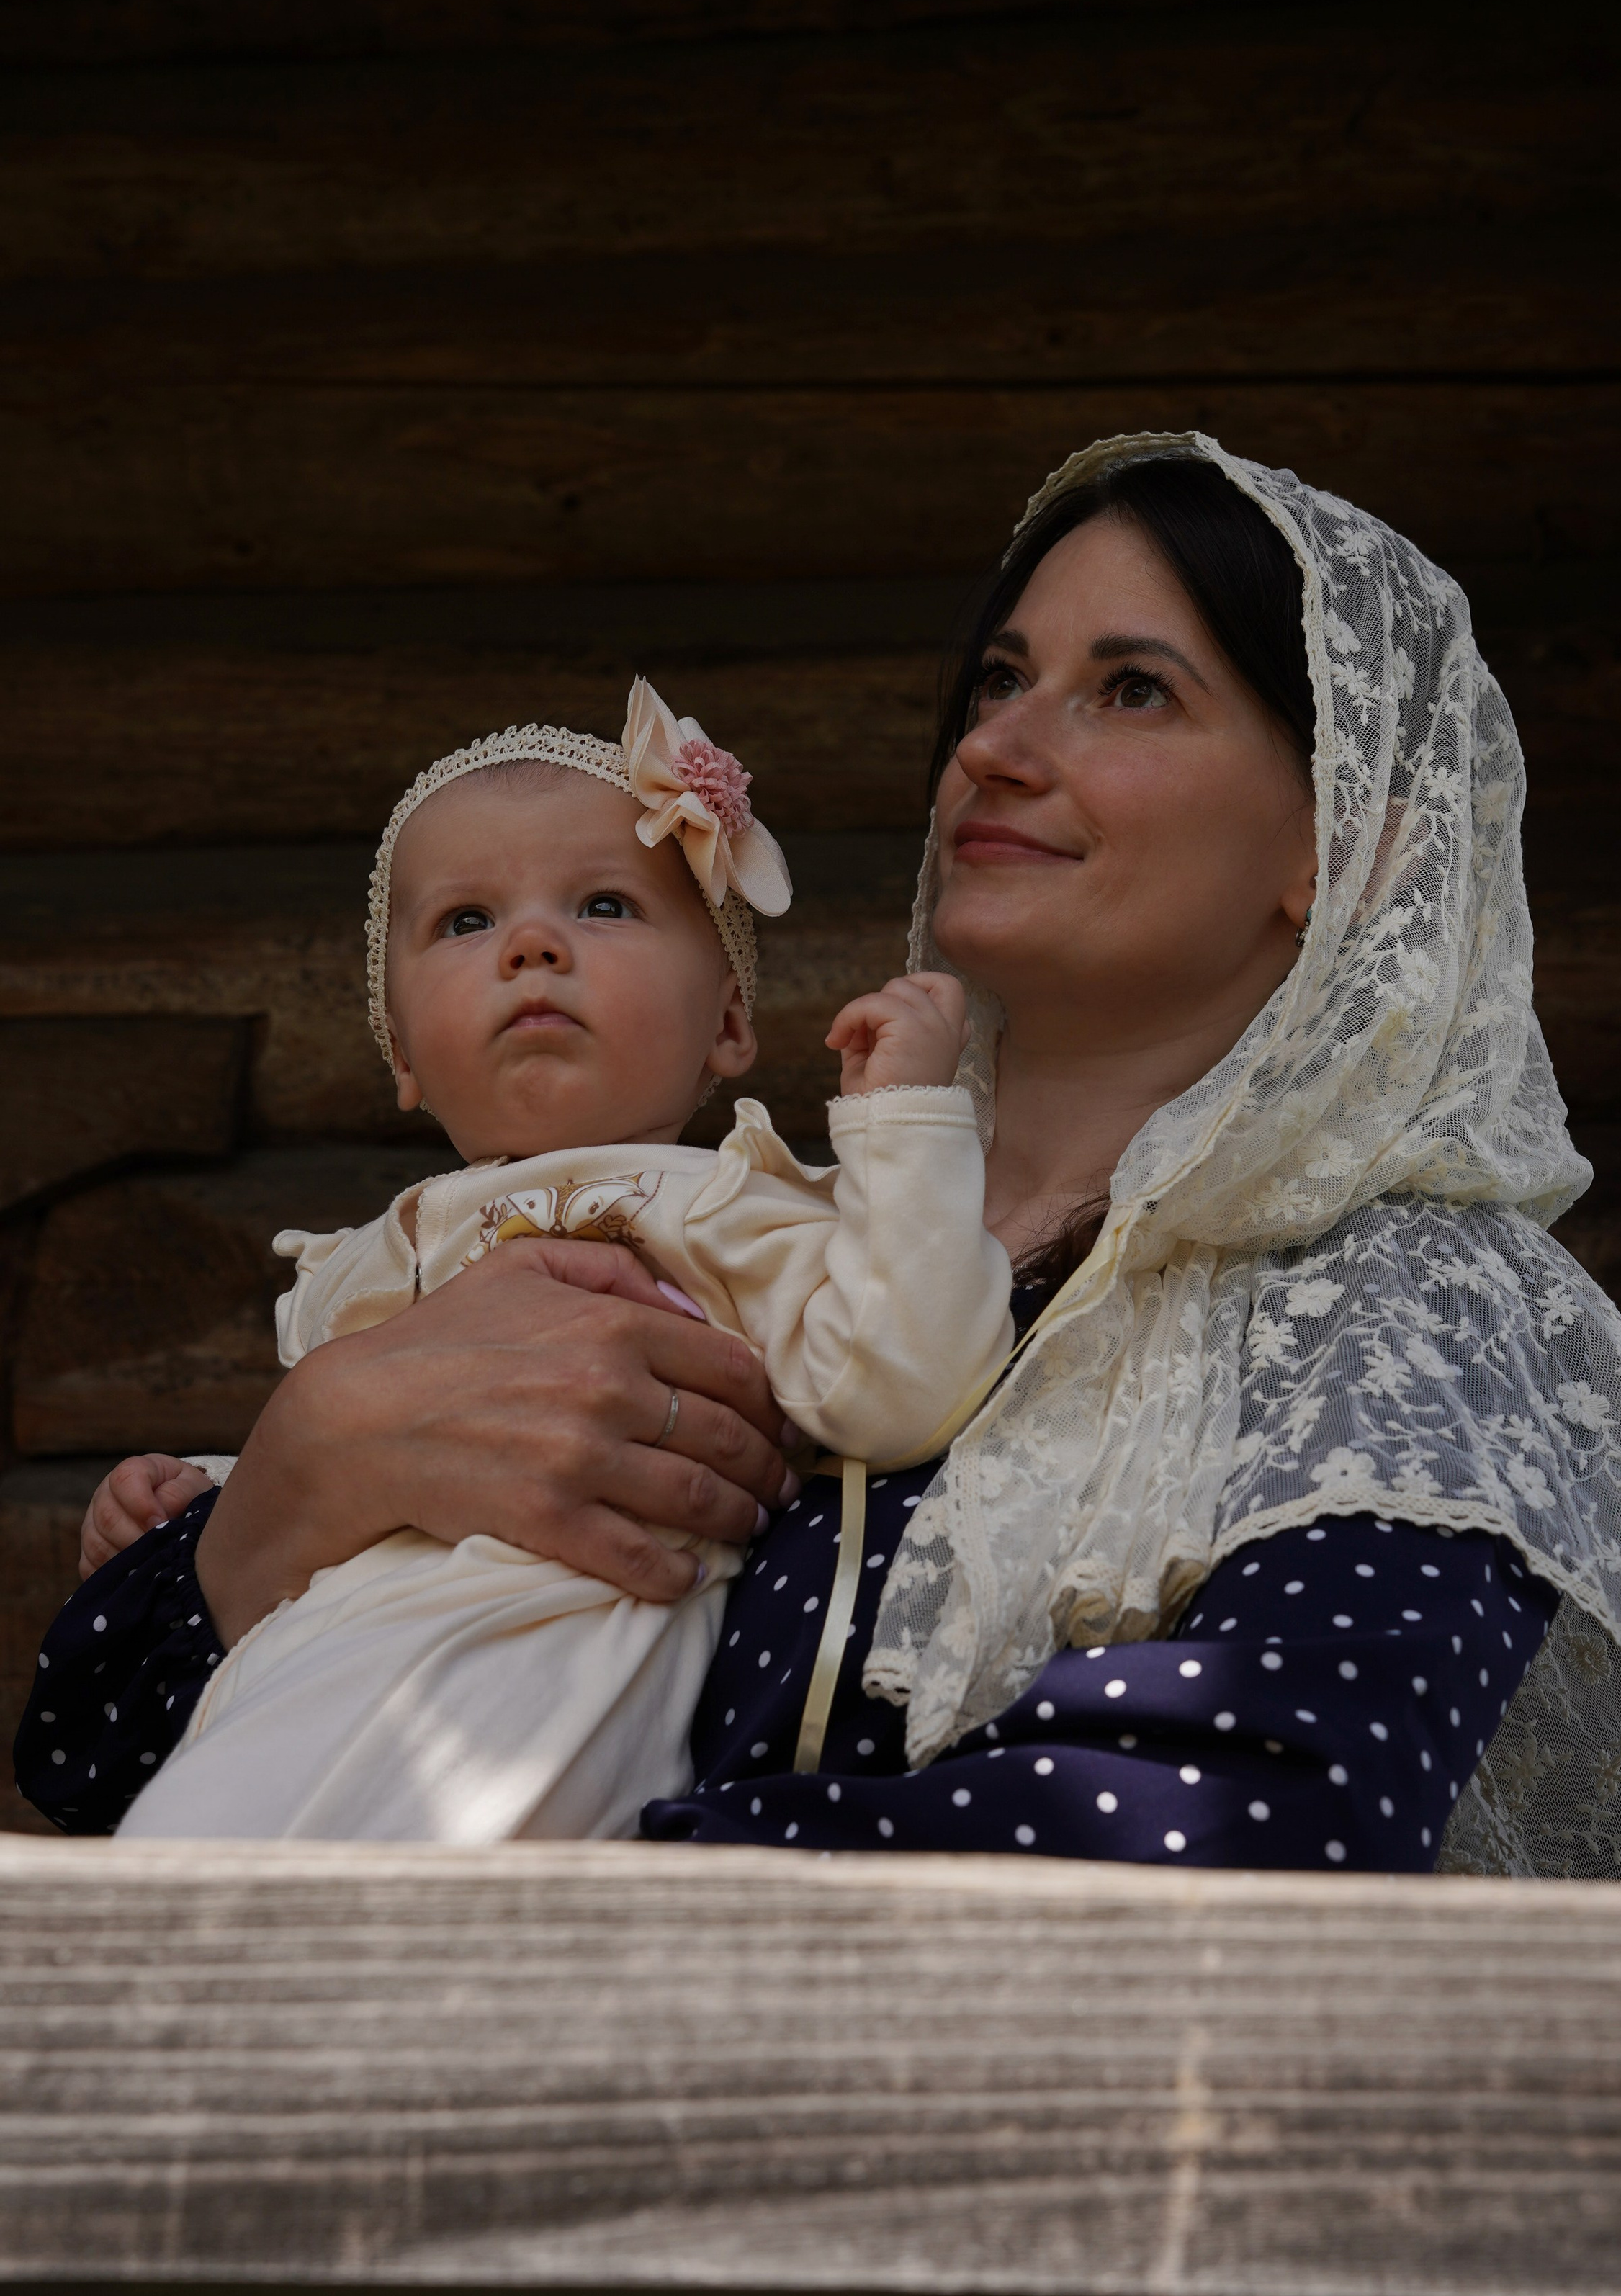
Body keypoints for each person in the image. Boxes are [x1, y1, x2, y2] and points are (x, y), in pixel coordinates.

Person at [20, 434, 1621, 1882]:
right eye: (999, 675)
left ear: (1341, 849)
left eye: (1129, 690)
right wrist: (284, 1492)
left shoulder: (1384, 1302)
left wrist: (526, 1901)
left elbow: (1250, 1810)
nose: (997, 742)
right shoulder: (764, 1240)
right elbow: (100, 1771)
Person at [104, 678, 1009, 1842]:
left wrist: (907, 1127)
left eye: (603, 905)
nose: (532, 945)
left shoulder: (740, 1207)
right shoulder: (376, 1260)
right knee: (188, 1878)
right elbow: (349, 1479)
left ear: (730, 1025)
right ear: (404, 1056)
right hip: (307, 1667)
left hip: (555, 1665)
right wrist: (201, 1493)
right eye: (467, 922)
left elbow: (901, 1384)